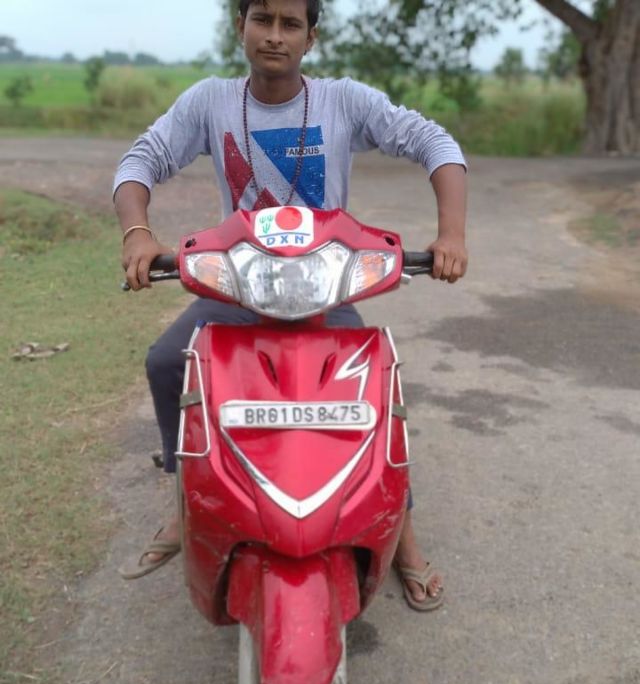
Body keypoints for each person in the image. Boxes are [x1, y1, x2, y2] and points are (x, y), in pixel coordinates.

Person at [113, 0, 468, 610]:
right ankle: (184, 498)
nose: (274, 36)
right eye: (262, 20)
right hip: (240, 286)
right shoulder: (210, 102)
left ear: (311, 37)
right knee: (169, 362)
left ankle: (402, 535)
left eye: (290, 24)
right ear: (241, 26)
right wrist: (137, 233)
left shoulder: (343, 101)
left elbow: (434, 142)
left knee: (372, 394)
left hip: (326, 291)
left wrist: (452, 235)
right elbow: (140, 160)